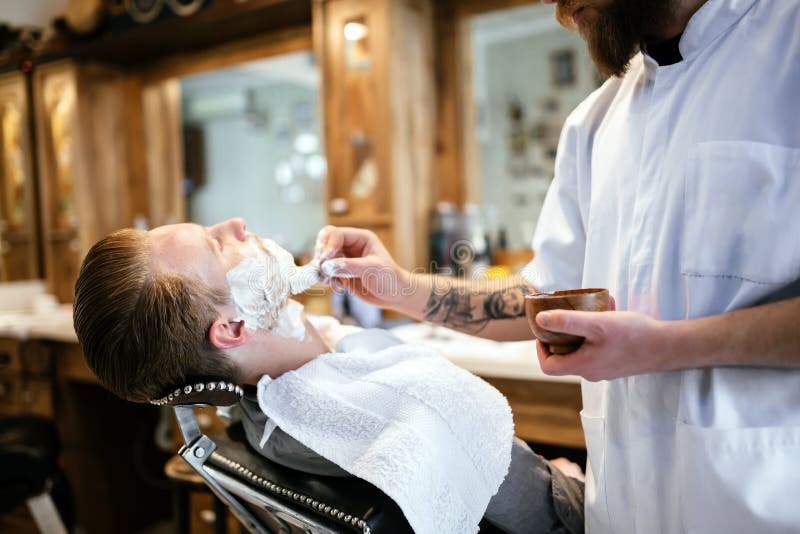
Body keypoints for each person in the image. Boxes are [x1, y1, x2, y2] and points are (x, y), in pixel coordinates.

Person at [315, 0, 800, 532]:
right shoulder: (594, 123)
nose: (556, 7)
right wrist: (399, 287)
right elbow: (544, 297)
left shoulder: (788, 47)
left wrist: (663, 347)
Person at [73, 218, 585, 534]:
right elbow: (548, 517)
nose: (235, 224)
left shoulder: (268, 407)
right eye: (216, 244)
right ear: (232, 327)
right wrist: (565, 486)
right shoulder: (404, 406)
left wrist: (399, 287)